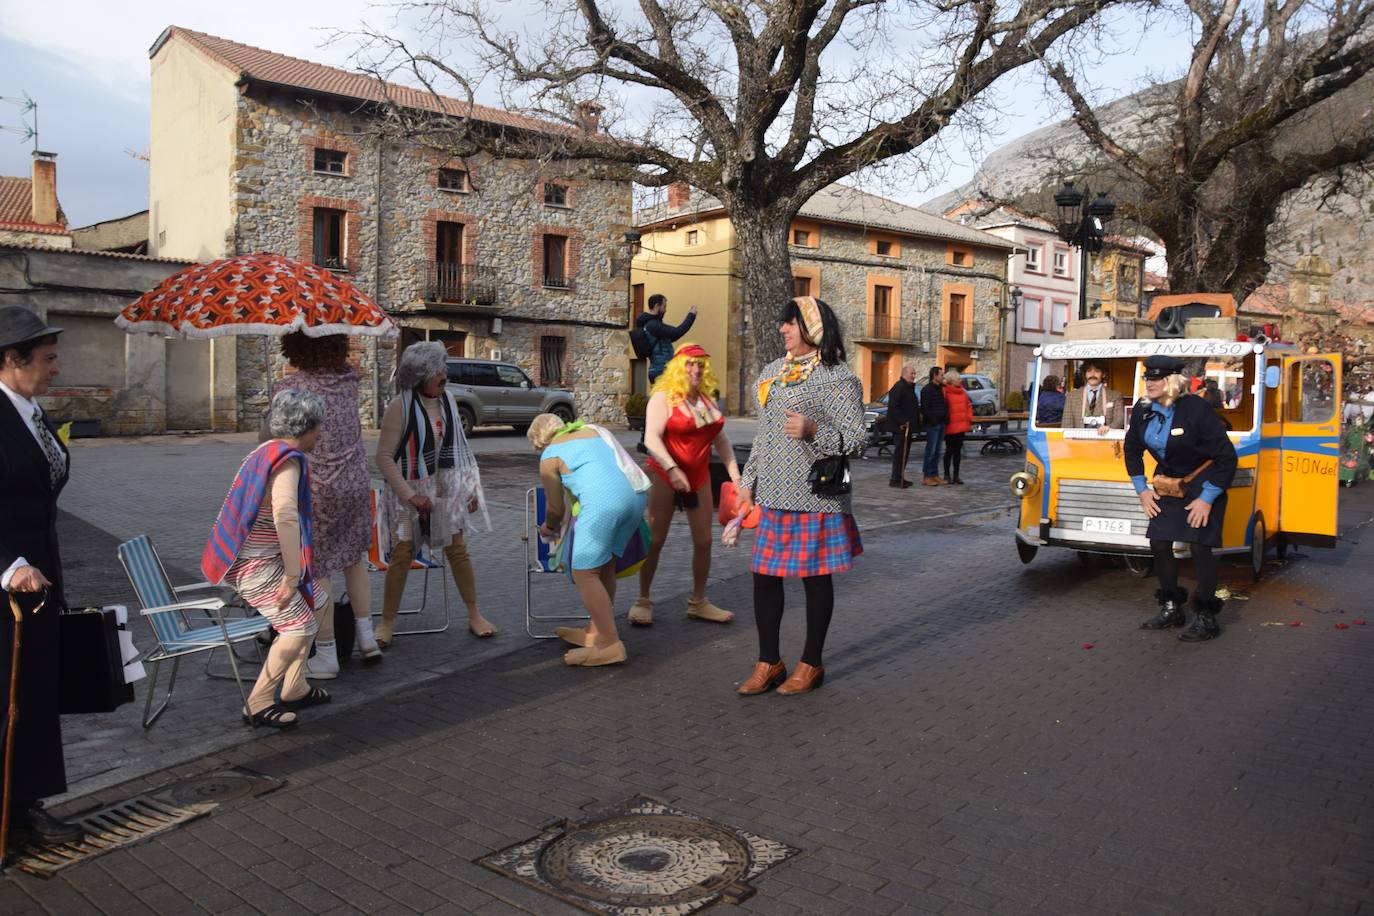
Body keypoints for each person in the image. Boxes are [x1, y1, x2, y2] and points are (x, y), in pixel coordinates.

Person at [735, 296, 865, 697]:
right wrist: (747, 481)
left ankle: (811, 663)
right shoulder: (774, 372)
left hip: (815, 495)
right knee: (764, 576)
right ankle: (769, 661)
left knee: (814, 579)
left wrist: (814, 431)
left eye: (790, 323)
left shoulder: (838, 377)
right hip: (773, 492)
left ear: (812, 328)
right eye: (783, 324)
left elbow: (858, 440)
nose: (782, 329)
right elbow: (765, 434)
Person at [0, 305, 82, 848]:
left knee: (32, 694)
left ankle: (25, 805)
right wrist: (10, 564)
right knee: (5, 697)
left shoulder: (29, 410)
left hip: (40, 576)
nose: (55, 369)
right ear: (12, 359)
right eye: (47, 360)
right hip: (9, 583)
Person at [202, 389, 331, 729]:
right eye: (319, 427)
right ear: (307, 426)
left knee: (318, 601)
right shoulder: (287, 460)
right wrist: (292, 578)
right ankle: (257, 702)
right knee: (298, 625)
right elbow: (285, 516)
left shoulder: (265, 451)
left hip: (251, 558)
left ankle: (294, 686)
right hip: (255, 565)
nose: (320, 434)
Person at [271, 333, 380, 675]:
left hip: (317, 489)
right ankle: (366, 638)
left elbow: (277, 437)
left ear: (296, 348)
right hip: (356, 483)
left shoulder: (292, 388)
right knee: (353, 560)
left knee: (318, 568)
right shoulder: (349, 382)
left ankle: (328, 653)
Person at [376, 342, 492, 647]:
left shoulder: (449, 401)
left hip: (442, 492)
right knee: (402, 554)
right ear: (419, 375)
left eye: (444, 368)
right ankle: (386, 623)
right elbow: (384, 458)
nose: (444, 375)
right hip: (408, 495)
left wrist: (467, 490)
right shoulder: (398, 407)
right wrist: (409, 496)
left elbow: (460, 451)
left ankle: (474, 615)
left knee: (457, 549)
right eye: (437, 370)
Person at [1125, 355, 1238, 642]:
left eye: (1156, 378)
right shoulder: (1143, 409)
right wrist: (1142, 489)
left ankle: (1206, 616)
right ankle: (1171, 607)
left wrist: (1207, 498)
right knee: (1159, 543)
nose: (1149, 382)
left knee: (1199, 547)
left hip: (1203, 484)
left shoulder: (1196, 409)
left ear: (1172, 381)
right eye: (1147, 377)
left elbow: (1226, 457)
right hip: (1169, 484)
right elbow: (1132, 449)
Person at [631, 344, 740, 627]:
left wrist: (736, 477)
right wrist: (671, 468)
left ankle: (699, 602)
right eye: (690, 364)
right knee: (655, 540)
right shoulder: (663, 398)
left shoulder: (706, 401)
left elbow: (721, 441)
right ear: (679, 368)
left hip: (698, 477)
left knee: (704, 542)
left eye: (701, 365)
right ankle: (642, 600)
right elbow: (652, 439)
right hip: (665, 475)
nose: (696, 370)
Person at [530, 413, 648, 666]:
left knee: (584, 571)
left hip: (604, 504)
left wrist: (548, 528)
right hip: (635, 498)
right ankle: (597, 630)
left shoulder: (549, 455)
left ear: (538, 442)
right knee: (604, 565)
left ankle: (609, 644)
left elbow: (555, 510)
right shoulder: (592, 431)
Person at [635, 295, 698, 385]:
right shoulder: (653, 325)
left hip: (659, 370)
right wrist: (691, 315)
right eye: (664, 307)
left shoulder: (651, 324)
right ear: (657, 306)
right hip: (661, 371)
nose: (665, 310)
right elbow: (677, 332)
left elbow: (673, 337)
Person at [1063, 360, 1126, 434]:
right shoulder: (1072, 396)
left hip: (1105, 440)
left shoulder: (1115, 396)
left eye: (1097, 371)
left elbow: (1120, 420)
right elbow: (1066, 424)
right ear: (1085, 374)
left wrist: (1109, 428)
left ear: (1103, 374)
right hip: (1078, 441)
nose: (1092, 374)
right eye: (1089, 371)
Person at [885, 363, 919, 488]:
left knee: (904, 453)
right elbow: (894, 407)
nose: (914, 376)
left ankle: (900, 477)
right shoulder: (899, 387)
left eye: (914, 373)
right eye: (912, 373)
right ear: (904, 374)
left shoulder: (908, 387)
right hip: (900, 427)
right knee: (900, 453)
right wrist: (903, 421)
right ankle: (895, 478)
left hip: (908, 426)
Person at [941, 369, 973, 484]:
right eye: (958, 379)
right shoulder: (945, 391)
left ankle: (956, 475)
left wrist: (969, 417)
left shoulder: (963, 392)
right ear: (951, 380)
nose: (960, 380)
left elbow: (968, 405)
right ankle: (946, 475)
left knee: (957, 452)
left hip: (961, 426)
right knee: (949, 451)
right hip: (950, 426)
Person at [919, 366, 948, 486]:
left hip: (941, 423)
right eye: (941, 375)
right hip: (933, 425)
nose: (943, 377)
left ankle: (934, 474)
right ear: (935, 375)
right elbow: (926, 409)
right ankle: (927, 476)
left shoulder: (940, 388)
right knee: (930, 451)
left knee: (937, 451)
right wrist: (935, 421)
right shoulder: (927, 389)